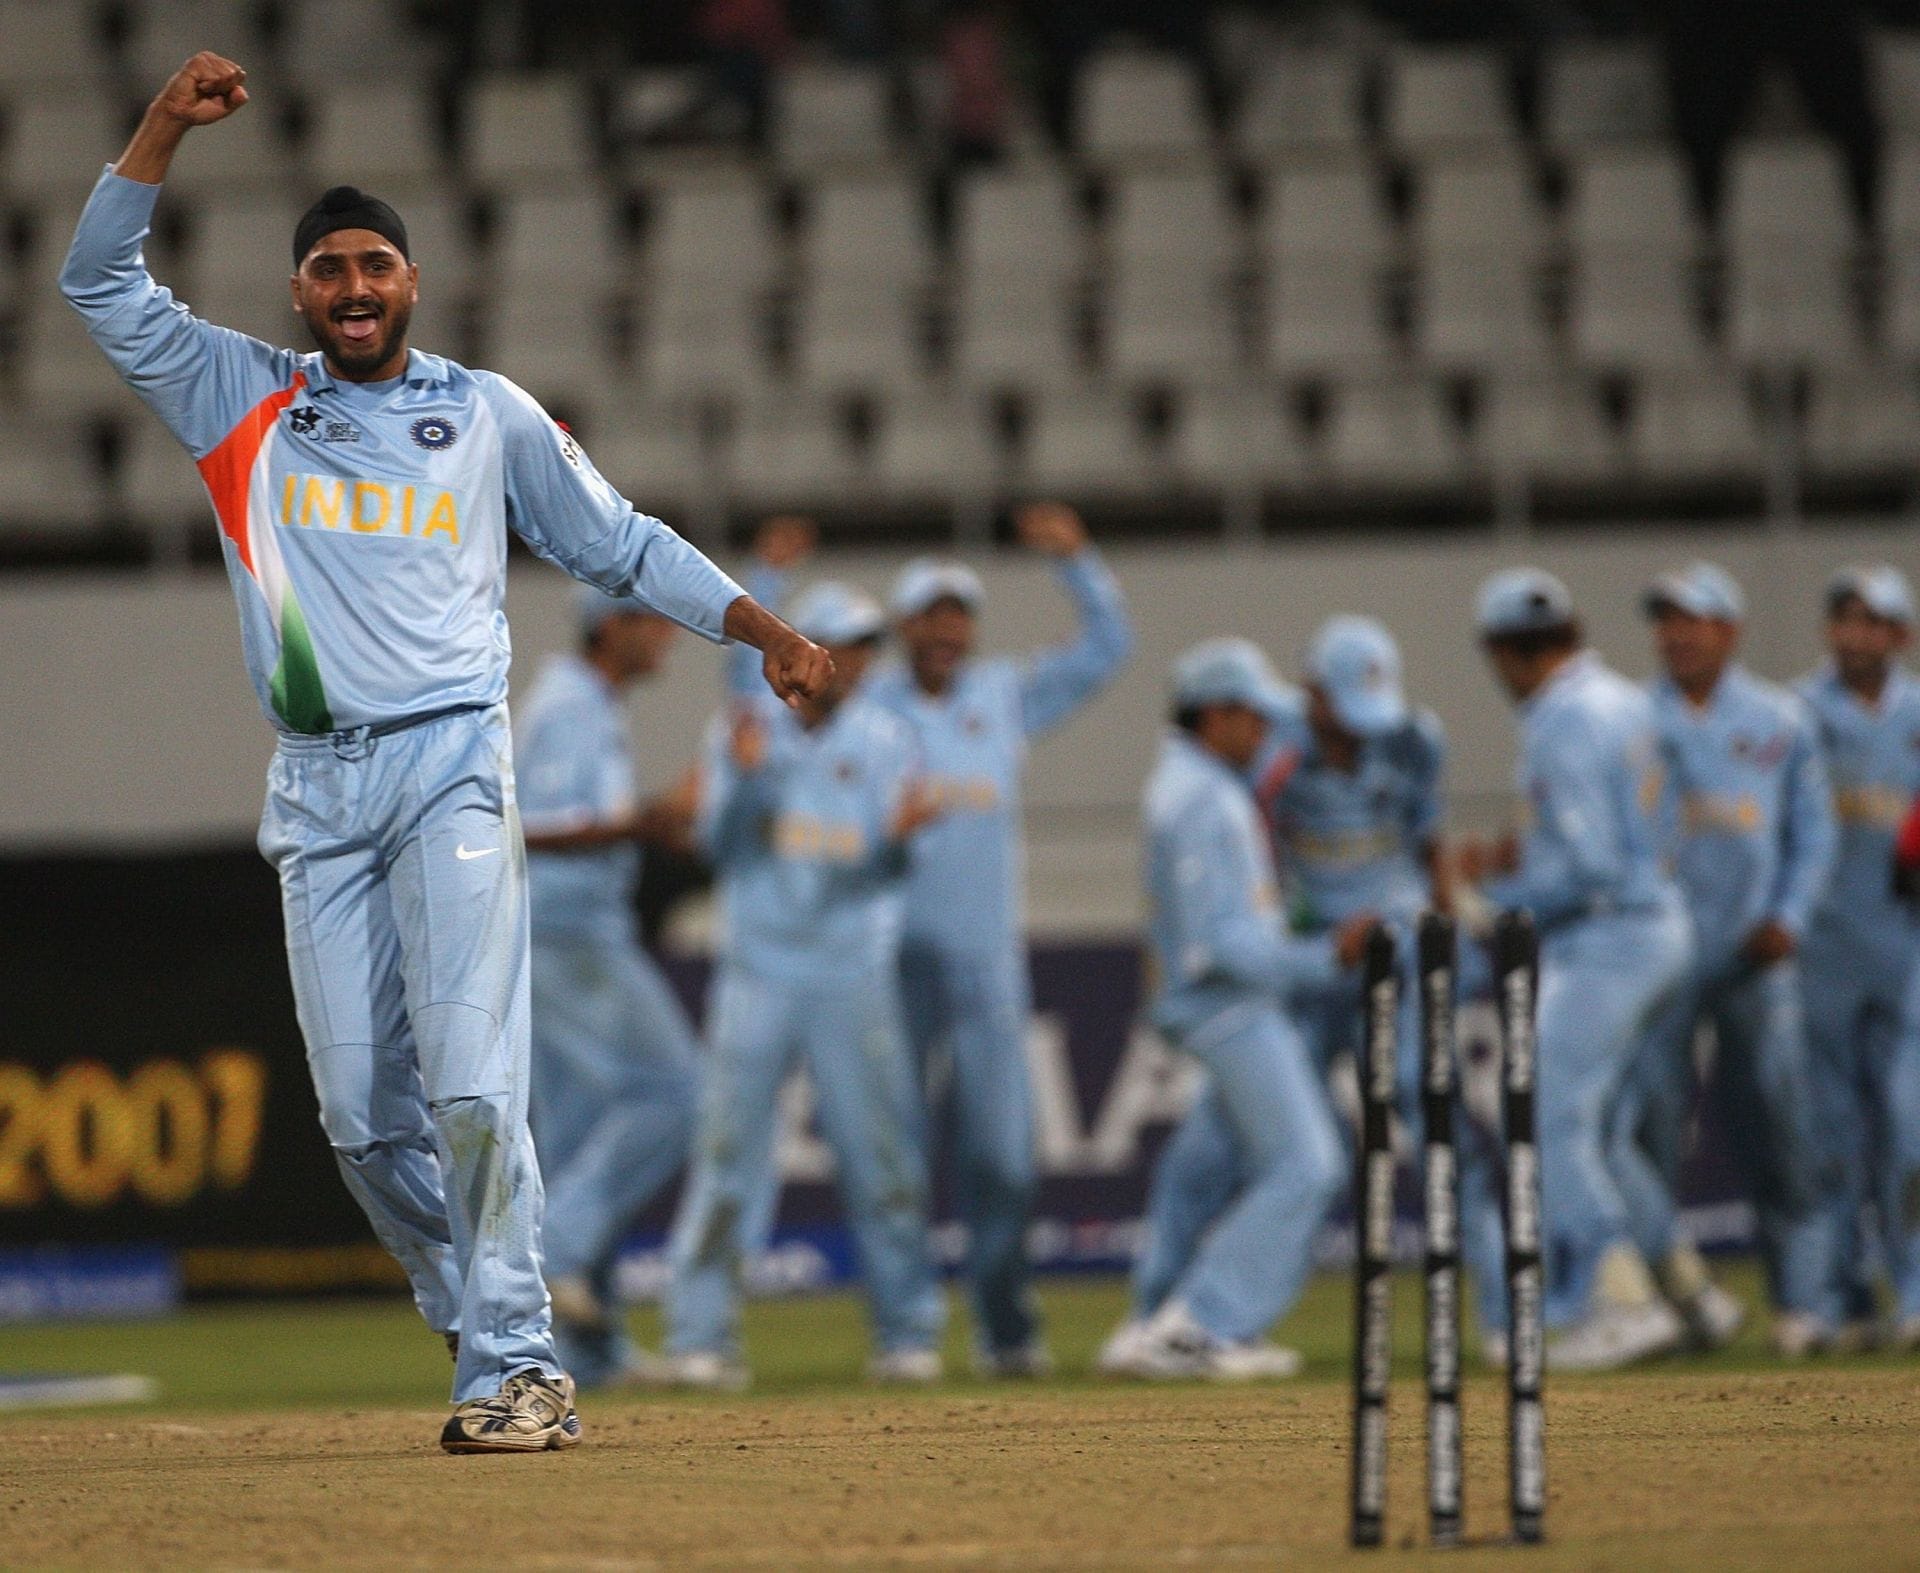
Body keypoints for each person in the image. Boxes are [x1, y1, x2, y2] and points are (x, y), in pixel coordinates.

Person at [61, 53, 830, 1452]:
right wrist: (164, 125)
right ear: (300, 292)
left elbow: (622, 542)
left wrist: (761, 629)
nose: (356, 287)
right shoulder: (237, 397)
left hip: (452, 769)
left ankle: (516, 1364)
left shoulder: (485, 413)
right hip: (317, 788)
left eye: (378, 265)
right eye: (330, 269)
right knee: (364, 1126)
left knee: (474, 1088)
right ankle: (480, 1312)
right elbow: (100, 286)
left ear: (412, 282)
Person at [862, 504, 1132, 1376]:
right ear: (903, 627)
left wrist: (1080, 561)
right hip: (892, 960)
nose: (946, 631)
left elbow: (1107, 650)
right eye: (930, 615)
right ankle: (906, 1334)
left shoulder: (1003, 695)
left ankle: (1006, 1324)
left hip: (985, 964)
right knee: (895, 1152)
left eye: (958, 615)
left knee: (1005, 1160)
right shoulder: (867, 703)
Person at [660, 583, 946, 1388]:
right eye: (839, 643)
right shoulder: (744, 727)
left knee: (881, 1154)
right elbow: (714, 847)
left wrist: (894, 843)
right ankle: (700, 1335)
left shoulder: (890, 737)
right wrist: (749, 781)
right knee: (727, 1157)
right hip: (758, 967)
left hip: (851, 969)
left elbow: (886, 863)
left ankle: (906, 1331)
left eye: (863, 647)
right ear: (802, 645)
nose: (851, 661)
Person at [1099, 639, 1365, 1380]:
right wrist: (1329, 957)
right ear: (1215, 715)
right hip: (1228, 1007)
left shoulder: (1195, 785)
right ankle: (1204, 1322)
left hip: (1225, 1003)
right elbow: (1220, 944)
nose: (1264, 733)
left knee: (1199, 1164)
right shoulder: (1204, 799)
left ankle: (1154, 1315)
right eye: (1253, 717)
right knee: (1308, 1164)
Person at [1255, 615, 1508, 1361]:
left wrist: (1444, 942)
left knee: (1442, 1134)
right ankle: (1201, 1321)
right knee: (1270, 1142)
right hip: (1312, 963)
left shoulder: (1415, 738)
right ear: (1312, 695)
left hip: (1396, 958)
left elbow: (1429, 843)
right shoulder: (1271, 749)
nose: (1363, 733)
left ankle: (1503, 1317)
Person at [1458, 569, 1693, 1371]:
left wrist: (1492, 898)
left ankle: (1618, 1300)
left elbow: (1588, 862)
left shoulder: (1558, 719)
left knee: (1543, 1110)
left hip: (1608, 935)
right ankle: (1686, 1284)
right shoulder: (1628, 699)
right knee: (1593, 1126)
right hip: (1660, 920)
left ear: (1500, 652)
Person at [1611, 564, 1836, 1356]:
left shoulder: (1781, 719)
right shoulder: (1631, 718)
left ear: (1730, 630)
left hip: (1755, 953)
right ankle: (1672, 1303)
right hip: (1659, 958)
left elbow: (1814, 833)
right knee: (1652, 1131)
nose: (1677, 633)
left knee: (1780, 1123)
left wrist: (1789, 917)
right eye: (1666, 619)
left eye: (1694, 619)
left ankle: (1802, 1303)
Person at [517, 586, 704, 1390]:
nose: (666, 635)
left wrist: (641, 819)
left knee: (577, 1134)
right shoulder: (571, 705)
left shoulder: (585, 701)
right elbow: (525, 825)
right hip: (570, 935)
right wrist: (648, 820)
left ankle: (583, 1357)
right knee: (676, 1093)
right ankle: (550, 1259)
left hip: (557, 935)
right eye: (651, 619)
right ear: (610, 626)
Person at [1797, 566, 1920, 1350]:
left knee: (1910, 1127)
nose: (1858, 634)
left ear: (1899, 636)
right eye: (1846, 618)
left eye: (1874, 622)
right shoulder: (1796, 714)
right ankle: (1844, 1299)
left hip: (1908, 948)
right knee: (1833, 1136)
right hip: (1824, 949)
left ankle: (1914, 1292)